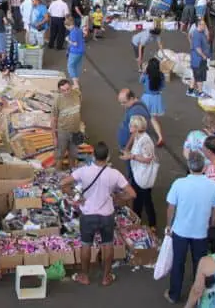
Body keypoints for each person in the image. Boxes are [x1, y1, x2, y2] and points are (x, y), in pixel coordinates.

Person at [61, 142, 136, 286]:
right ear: (107, 157)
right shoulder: (114, 174)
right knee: (107, 245)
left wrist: (76, 196)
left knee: (86, 245)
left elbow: (63, 183)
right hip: (107, 215)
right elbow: (132, 193)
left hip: (88, 214)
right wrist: (119, 198)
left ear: (93, 155)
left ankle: (84, 276)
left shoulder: (84, 171)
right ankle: (106, 277)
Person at [165, 151, 215, 304]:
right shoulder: (213, 186)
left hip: (180, 232)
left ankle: (174, 294)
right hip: (201, 233)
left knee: (178, 263)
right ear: (204, 167)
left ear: (189, 167)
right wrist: (212, 227)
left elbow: (171, 207)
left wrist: (169, 225)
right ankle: (199, 296)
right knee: (200, 264)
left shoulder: (179, 184)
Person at [120, 115, 157, 229]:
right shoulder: (137, 136)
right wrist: (127, 150)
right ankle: (137, 220)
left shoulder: (145, 141)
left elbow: (148, 159)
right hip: (138, 174)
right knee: (137, 198)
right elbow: (132, 140)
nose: (129, 126)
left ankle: (152, 224)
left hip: (144, 176)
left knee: (146, 199)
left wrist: (131, 156)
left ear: (136, 127)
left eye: (131, 125)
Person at [117, 88, 152, 173]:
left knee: (132, 171)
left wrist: (126, 149)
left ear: (132, 98)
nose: (122, 105)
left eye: (124, 102)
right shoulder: (134, 107)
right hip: (131, 148)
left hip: (131, 149)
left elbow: (135, 133)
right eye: (120, 103)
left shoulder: (136, 111)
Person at [52, 79, 82, 168]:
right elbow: (53, 119)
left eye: (68, 89)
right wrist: (54, 137)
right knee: (59, 155)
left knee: (73, 154)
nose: (66, 92)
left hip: (76, 131)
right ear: (59, 90)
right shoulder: (57, 100)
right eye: (63, 90)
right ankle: (58, 172)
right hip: (63, 132)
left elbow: (80, 100)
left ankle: (72, 171)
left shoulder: (76, 93)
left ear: (71, 87)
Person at [140, 58, 166, 146]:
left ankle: (141, 134)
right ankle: (160, 137)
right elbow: (162, 86)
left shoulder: (146, 75)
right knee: (153, 119)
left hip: (147, 97)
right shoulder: (161, 75)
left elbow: (141, 81)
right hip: (157, 98)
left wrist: (143, 71)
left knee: (142, 117)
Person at [187, 19, 211, 98]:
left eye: (205, 25)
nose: (205, 26)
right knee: (200, 77)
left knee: (195, 75)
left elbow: (206, 39)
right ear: (199, 25)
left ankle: (190, 91)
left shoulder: (202, 32)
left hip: (198, 59)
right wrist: (203, 56)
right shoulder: (197, 34)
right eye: (203, 25)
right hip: (198, 59)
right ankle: (200, 92)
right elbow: (197, 48)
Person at [67, 17, 85, 90]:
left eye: (67, 27)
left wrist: (68, 40)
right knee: (77, 66)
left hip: (74, 52)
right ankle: (76, 81)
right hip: (81, 51)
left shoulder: (72, 32)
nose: (67, 28)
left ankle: (75, 84)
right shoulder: (78, 29)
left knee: (70, 66)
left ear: (70, 25)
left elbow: (75, 44)